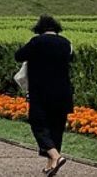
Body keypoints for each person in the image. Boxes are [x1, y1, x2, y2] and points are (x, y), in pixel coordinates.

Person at [15, 15, 74, 177]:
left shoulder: (36, 42)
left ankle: (55, 156)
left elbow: (18, 56)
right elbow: (71, 59)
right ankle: (51, 164)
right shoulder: (66, 43)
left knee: (38, 124)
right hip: (63, 92)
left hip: (40, 92)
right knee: (57, 127)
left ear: (40, 28)